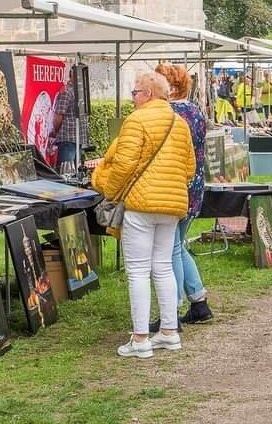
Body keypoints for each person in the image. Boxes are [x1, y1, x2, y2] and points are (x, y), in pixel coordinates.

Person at [92, 71, 195, 358]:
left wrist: (106, 187)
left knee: (137, 270)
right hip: (173, 205)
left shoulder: (136, 120)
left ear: (148, 94)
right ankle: (169, 332)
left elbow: (123, 166)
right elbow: (189, 169)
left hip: (140, 205)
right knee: (162, 266)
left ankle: (139, 339)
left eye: (135, 92)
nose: (133, 97)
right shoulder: (180, 123)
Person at [152, 64, 213, 329]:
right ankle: (198, 301)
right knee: (178, 244)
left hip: (178, 186)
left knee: (170, 249)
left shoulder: (174, 113)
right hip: (194, 185)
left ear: (172, 88)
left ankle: (172, 311)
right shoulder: (194, 110)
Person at [50, 66, 89, 170]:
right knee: (68, 173)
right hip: (71, 139)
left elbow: (59, 116)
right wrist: (56, 131)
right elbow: (59, 116)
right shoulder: (69, 91)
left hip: (74, 139)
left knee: (70, 173)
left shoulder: (76, 91)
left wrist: (55, 131)